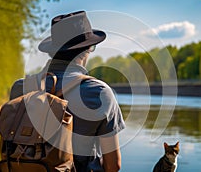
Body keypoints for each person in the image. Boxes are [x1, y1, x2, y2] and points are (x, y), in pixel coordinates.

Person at [10, 10, 125, 172]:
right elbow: (113, 166)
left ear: (52, 50)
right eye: (92, 47)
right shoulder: (99, 92)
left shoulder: (20, 88)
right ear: (85, 50)